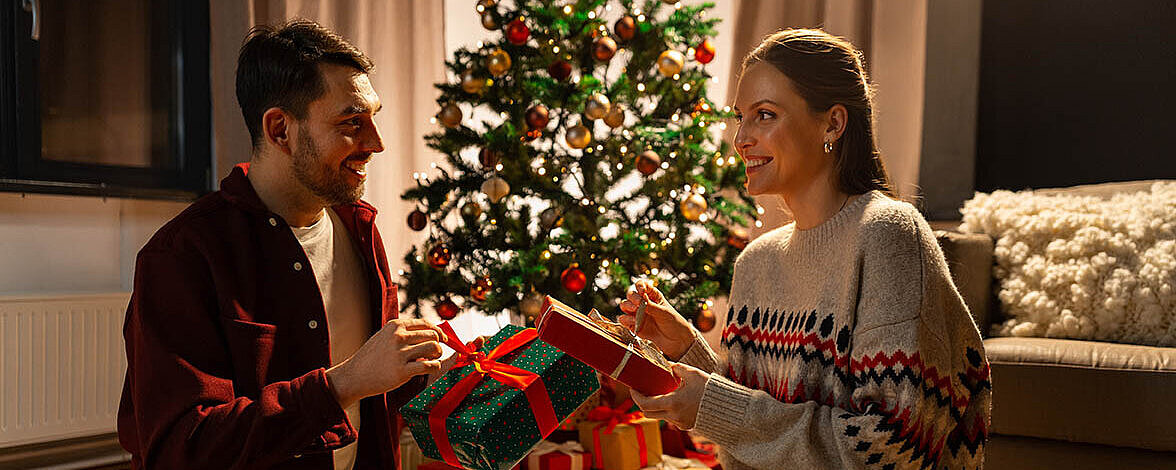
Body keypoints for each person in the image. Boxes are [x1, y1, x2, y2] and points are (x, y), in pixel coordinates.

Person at [618, 29, 991, 469]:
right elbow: (753, 433)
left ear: (832, 123)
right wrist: (688, 351)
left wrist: (715, 406)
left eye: (766, 115)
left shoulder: (888, 235)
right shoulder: (755, 263)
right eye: (741, 117)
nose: (741, 139)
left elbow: (892, 448)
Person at [118, 20, 454, 470]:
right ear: (279, 129)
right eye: (351, 123)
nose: (376, 143)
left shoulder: (359, 228)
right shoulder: (182, 257)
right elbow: (182, 448)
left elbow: (376, 388)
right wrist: (342, 384)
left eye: (373, 117)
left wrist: (448, 372)